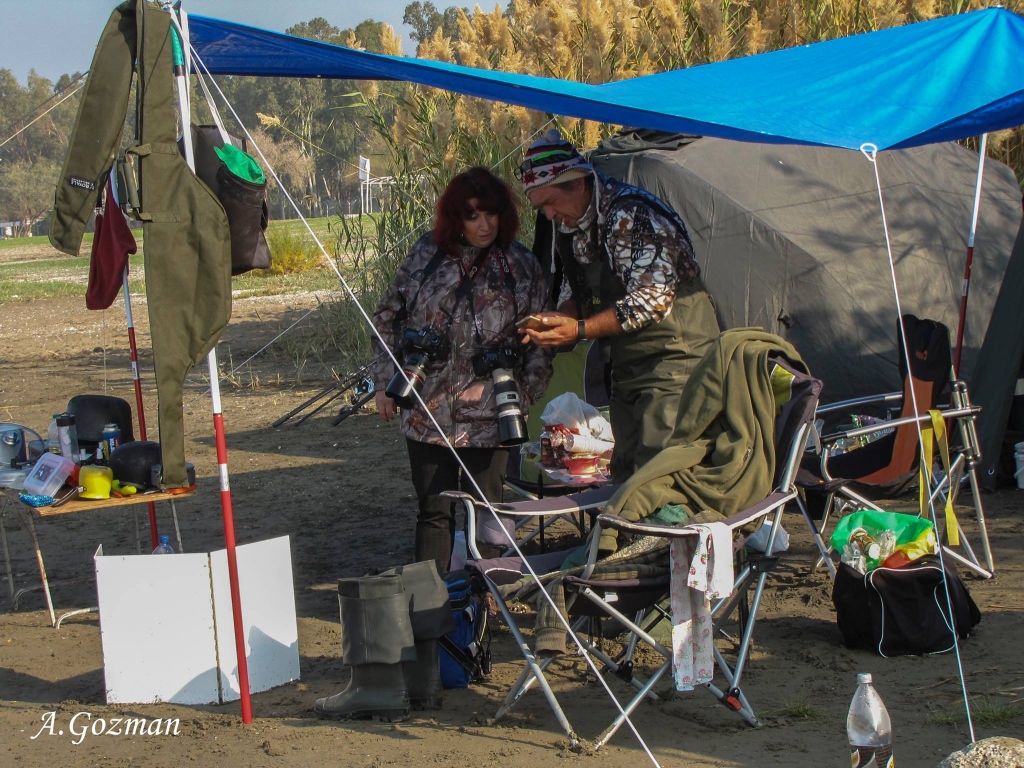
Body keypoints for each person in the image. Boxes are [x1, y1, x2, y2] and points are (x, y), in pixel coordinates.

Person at [370, 167, 553, 574]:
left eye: (490, 214)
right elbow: (385, 317)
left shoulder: (522, 266)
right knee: (433, 513)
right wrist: (386, 384)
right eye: (472, 216)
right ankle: (430, 612)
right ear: (457, 217)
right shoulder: (426, 255)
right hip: (425, 411)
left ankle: (483, 607)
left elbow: (541, 342)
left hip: (492, 416)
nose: (484, 225)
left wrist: (521, 397)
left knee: (488, 516)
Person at [518, 129, 721, 483]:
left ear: (578, 184)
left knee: (665, 470)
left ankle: (678, 536)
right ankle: (631, 535)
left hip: (677, 359)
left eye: (549, 202)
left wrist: (580, 330)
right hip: (628, 363)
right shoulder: (573, 224)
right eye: (540, 208)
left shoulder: (630, 216)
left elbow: (650, 302)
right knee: (625, 467)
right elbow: (573, 285)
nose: (547, 215)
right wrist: (560, 319)